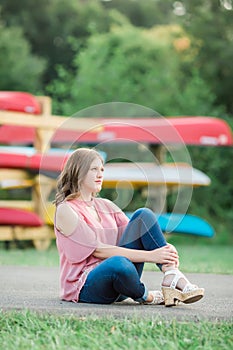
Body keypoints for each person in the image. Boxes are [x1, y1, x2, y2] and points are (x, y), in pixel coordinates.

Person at [54, 148, 204, 307]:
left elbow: (138, 233)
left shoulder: (106, 205)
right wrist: (152, 255)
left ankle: (171, 275)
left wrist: (165, 250)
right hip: (87, 288)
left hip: (121, 283)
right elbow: (98, 250)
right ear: (78, 171)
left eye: (102, 169)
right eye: (94, 169)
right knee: (118, 263)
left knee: (143, 215)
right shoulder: (66, 209)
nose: (100, 175)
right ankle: (146, 296)